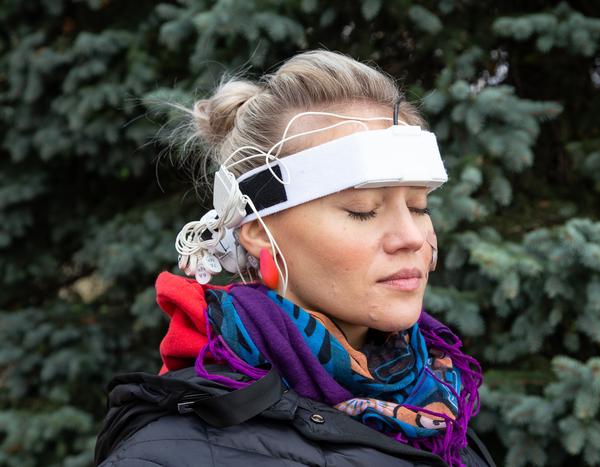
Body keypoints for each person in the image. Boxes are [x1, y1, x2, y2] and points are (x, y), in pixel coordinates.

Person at [94, 50, 496, 467]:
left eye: (418, 206)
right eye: (361, 210)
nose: (411, 237)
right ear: (258, 231)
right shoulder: (175, 454)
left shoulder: (441, 404)